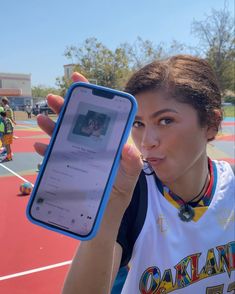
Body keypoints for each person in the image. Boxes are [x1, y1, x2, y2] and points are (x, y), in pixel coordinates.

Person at [35, 55, 235, 293]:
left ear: (211, 123)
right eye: (138, 123)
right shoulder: (132, 193)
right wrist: (111, 207)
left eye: (165, 120)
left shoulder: (230, 184)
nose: (146, 142)